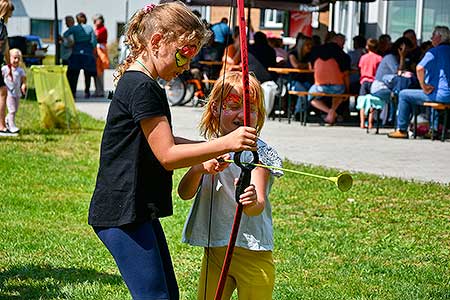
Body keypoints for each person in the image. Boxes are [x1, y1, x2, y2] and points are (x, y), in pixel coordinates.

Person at [87, 3, 258, 300]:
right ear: (157, 42)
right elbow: (166, 155)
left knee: (167, 295)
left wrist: (207, 151)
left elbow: (163, 139)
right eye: (185, 52)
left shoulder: (143, 83)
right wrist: (226, 143)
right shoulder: (142, 87)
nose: (187, 63)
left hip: (135, 210)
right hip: (122, 213)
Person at [178, 71, 283, 300]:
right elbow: (184, 193)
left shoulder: (258, 153)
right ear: (215, 108)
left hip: (252, 255)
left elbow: (258, 205)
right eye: (233, 105)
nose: (243, 114)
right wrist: (197, 168)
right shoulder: (208, 150)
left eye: (251, 108)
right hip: (215, 252)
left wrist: (251, 199)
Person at [388, 26, 450, 139]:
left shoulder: (434, 52)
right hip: (445, 94)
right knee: (433, 95)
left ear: (439, 37)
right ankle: (434, 129)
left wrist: (423, 86)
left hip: (440, 95)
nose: (431, 38)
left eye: (433, 36)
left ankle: (401, 130)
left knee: (404, 94)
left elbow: (419, 68)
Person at [307, 33, 351, 124]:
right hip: (337, 86)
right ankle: (332, 111)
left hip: (320, 86)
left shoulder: (316, 51)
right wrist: (347, 90)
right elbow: (346, 75)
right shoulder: (343, 55)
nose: (343, 46)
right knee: (339, 93)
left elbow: (311, 68)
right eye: (343, 43)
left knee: (311, 97)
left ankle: (329, 112)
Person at [63, 12, 97, 98]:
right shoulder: (90, 28)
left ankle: (73, 92)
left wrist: (72, 42)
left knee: (75, 74)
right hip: (88, 53)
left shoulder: (74, 28)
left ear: (77, 20)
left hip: (76, 52)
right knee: (87, 74)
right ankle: (87, 92)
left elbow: (65, 34)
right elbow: (93, 42)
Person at [287, 33, 314, 120]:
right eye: (308, 45)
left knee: (311, 91)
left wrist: (305, 65)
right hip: (292, 81)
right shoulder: (293, 54)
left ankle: (302, 112)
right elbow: (296, 65)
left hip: (305, 80)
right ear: (302, 45)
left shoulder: (309, 55)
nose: (310, 47)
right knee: (303, 91)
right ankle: (298, 112)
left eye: (311, 45)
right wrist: (306, 65)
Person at [357, 38, 382, 129]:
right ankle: (370, 122)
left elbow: (360, 68)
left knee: (362, 102)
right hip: (374, 81)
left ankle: (362, 122)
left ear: (367, 47)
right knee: (372, 103)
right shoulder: (379, 58)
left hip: (364, 81)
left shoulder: (363, 58)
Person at [1, 48, 26, 133]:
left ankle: (7, 120)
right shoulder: (5, 69)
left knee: (15, 109)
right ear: (9, 58)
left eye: (18, 58)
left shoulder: (20, 70)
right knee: (12, 109)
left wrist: (23, 85)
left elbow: (23, 80)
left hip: (17, 93)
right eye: (14, 58)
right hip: (8, 93)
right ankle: (12, 126)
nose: (16, 60)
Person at [0, 0, 14, 137]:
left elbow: (6, 47)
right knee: (2, 92)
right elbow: (3, 46)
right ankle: (2, 126)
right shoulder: (0, 26)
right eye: (10, 12)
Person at [92, 13, 110, 97]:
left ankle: (100, 91)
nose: (95, 22)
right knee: (96, 73)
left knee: (100, 73)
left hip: (101, 51)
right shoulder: (98, 29)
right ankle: (97, 91)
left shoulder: (102, 29)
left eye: (96, 20)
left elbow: (96, 37)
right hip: (97, 52)